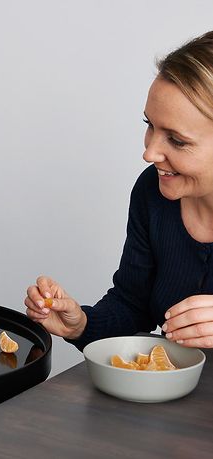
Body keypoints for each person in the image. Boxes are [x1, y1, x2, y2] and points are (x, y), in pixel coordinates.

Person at [25, 30, 213, 351]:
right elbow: (132, 304)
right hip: (172, 399)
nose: (150, 153)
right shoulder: (153, 192)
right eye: (149, 125)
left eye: (177, 140)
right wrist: (81, 325)